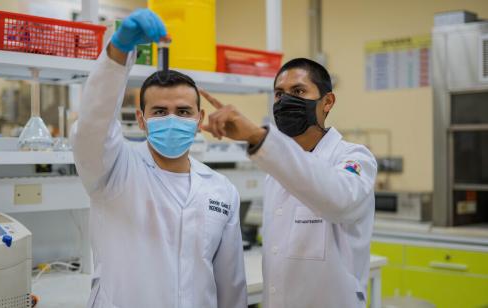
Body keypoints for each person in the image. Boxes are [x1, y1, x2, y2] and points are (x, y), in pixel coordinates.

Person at [71, 9, 246, 308]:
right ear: (141, 119)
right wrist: (118, 52)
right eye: (160, 112)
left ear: (199, 118)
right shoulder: (113, 170)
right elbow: (92, 124)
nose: (172, 119)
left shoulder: (221, 190)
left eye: (183, 111)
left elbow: (231, 284)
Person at [200, 58, 377, 308]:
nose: (285, 101)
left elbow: (338, 199)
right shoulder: (276, 169)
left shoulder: (354, 158)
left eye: (299, 91)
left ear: (327, 102)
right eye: (279, 94)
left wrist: (257, 136)